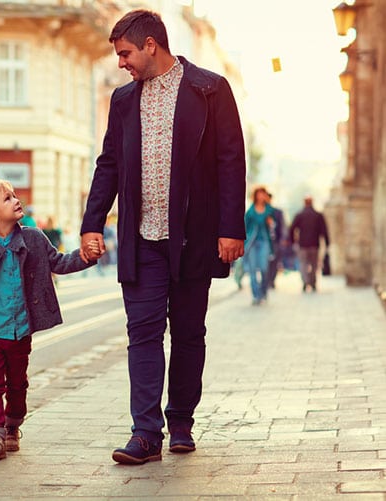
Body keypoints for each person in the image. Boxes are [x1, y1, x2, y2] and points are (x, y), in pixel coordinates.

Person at [79, 9, 246, 465]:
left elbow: (231, 160)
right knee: (144, 334)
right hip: (142, 238)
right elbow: (109, 162)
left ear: (151, 45)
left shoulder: (209, 89)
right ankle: (145, 433)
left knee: (189, 333)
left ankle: (182, 424)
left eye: (126, 53)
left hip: (193, 238)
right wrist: (92, 221)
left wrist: (232, 228)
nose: (121, 63)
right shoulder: (123, 100)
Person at [0, 180, 94, 462]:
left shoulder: (33, 238)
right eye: (7, 198)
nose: (16, 200)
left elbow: (58, 262)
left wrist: (84, 257)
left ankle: (12, 425)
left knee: (18, 385)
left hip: (21, 330)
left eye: (14, 195)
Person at [289, 195, 330, 292]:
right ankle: (312, 282)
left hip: (303, 244)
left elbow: (292, 228)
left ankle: (305, 281)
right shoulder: (318, 215)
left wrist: (293, 241)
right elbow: (324, 230)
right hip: (314, 244)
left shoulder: (299, 215)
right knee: (314, 265)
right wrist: (327, 242)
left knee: (303, 264)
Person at [243, 187, 274, 305]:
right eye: (259, 194)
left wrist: (271, 224)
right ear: (255, 196)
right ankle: (256, 295)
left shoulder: (269, 210)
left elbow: (274, 226)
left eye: (263, 194)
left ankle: (263, 292)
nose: (261, 196)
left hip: (265, 242)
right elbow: (245, 227)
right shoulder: (250, 211)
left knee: (264, 269)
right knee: (252, 270)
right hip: (252, 243)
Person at [266, 192, 285, 289]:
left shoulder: (277, 212)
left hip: (275, 241)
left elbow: (282, 227)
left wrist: (282, 239)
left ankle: (271, 280)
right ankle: (266, 280)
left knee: (274, 262)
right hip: (264, 241)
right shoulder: (259, 211)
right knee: (265, 263)